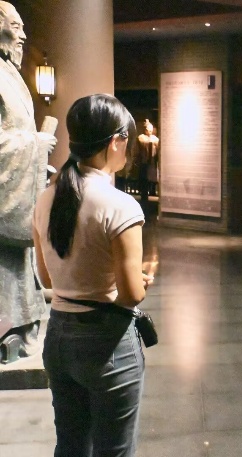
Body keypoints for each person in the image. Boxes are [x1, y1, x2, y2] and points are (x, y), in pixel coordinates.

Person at [33, 94, 152, 456]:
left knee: (70, 445)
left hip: (58, 337)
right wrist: (135, 280)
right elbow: (131, 294)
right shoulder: (120, 206)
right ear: (115, 141)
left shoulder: (46, 198)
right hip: (106, 341)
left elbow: (48, 278)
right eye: (126, 139)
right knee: (114, 450)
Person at [0, 1, 56, 361]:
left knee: (19, 269)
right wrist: (34, 145)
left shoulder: (9, 73)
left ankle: (19, 329)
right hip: (5, 197)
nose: (22, 35)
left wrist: (37, 159)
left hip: (17, 184)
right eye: (15, 26)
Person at [136, 119, 159, 199]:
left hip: (152, 161)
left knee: (153, 178)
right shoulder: (141, 137)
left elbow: (157, 144)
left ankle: (153, 191)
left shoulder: (154, 138)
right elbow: (144, 142)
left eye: (151, 131)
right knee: (144, 178)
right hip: (144, 161)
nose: (150, 132)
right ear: (145, 130)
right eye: (148, 130)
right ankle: (144, 193)